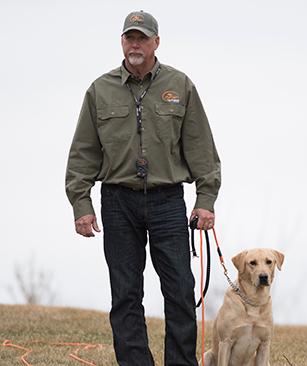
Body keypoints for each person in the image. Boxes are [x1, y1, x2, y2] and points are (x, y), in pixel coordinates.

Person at [65, 10, 221, 366]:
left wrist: (206, 199)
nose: (135, 44)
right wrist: (81, 203)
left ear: (156, 42)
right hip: (118, 202)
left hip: (168, 202)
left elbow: (201, 148)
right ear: (122, 41)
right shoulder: (99, 90)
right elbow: (83, 152)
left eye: (142, 38)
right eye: (129, 37)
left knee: (181, 290)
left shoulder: (180, 86)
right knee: (125, 294)